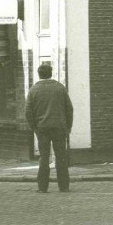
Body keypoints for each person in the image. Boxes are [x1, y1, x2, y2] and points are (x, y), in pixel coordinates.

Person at [26, 63, 73, 193]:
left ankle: (43, 187)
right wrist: (68, 126)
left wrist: (33, 127)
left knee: (44, 157)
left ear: (38, 74)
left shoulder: (33, 90)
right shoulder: (60, 88)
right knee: (61, 156)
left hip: (42, 128)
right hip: (59, 127)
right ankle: (64, 186)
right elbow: (69, 109)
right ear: (51, 73)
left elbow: (28, 111)